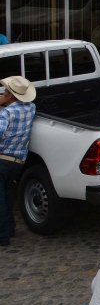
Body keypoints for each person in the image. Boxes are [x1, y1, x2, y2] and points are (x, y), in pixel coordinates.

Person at [0, 76, 36, 247]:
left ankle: (3, 235)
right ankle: (10, 228)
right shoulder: (31, 108)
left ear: (12, 96)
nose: (4, 93)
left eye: (6, 91)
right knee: (6, 195)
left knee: (1, 199)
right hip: (17, 162)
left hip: (2, 159)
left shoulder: (7, 113)